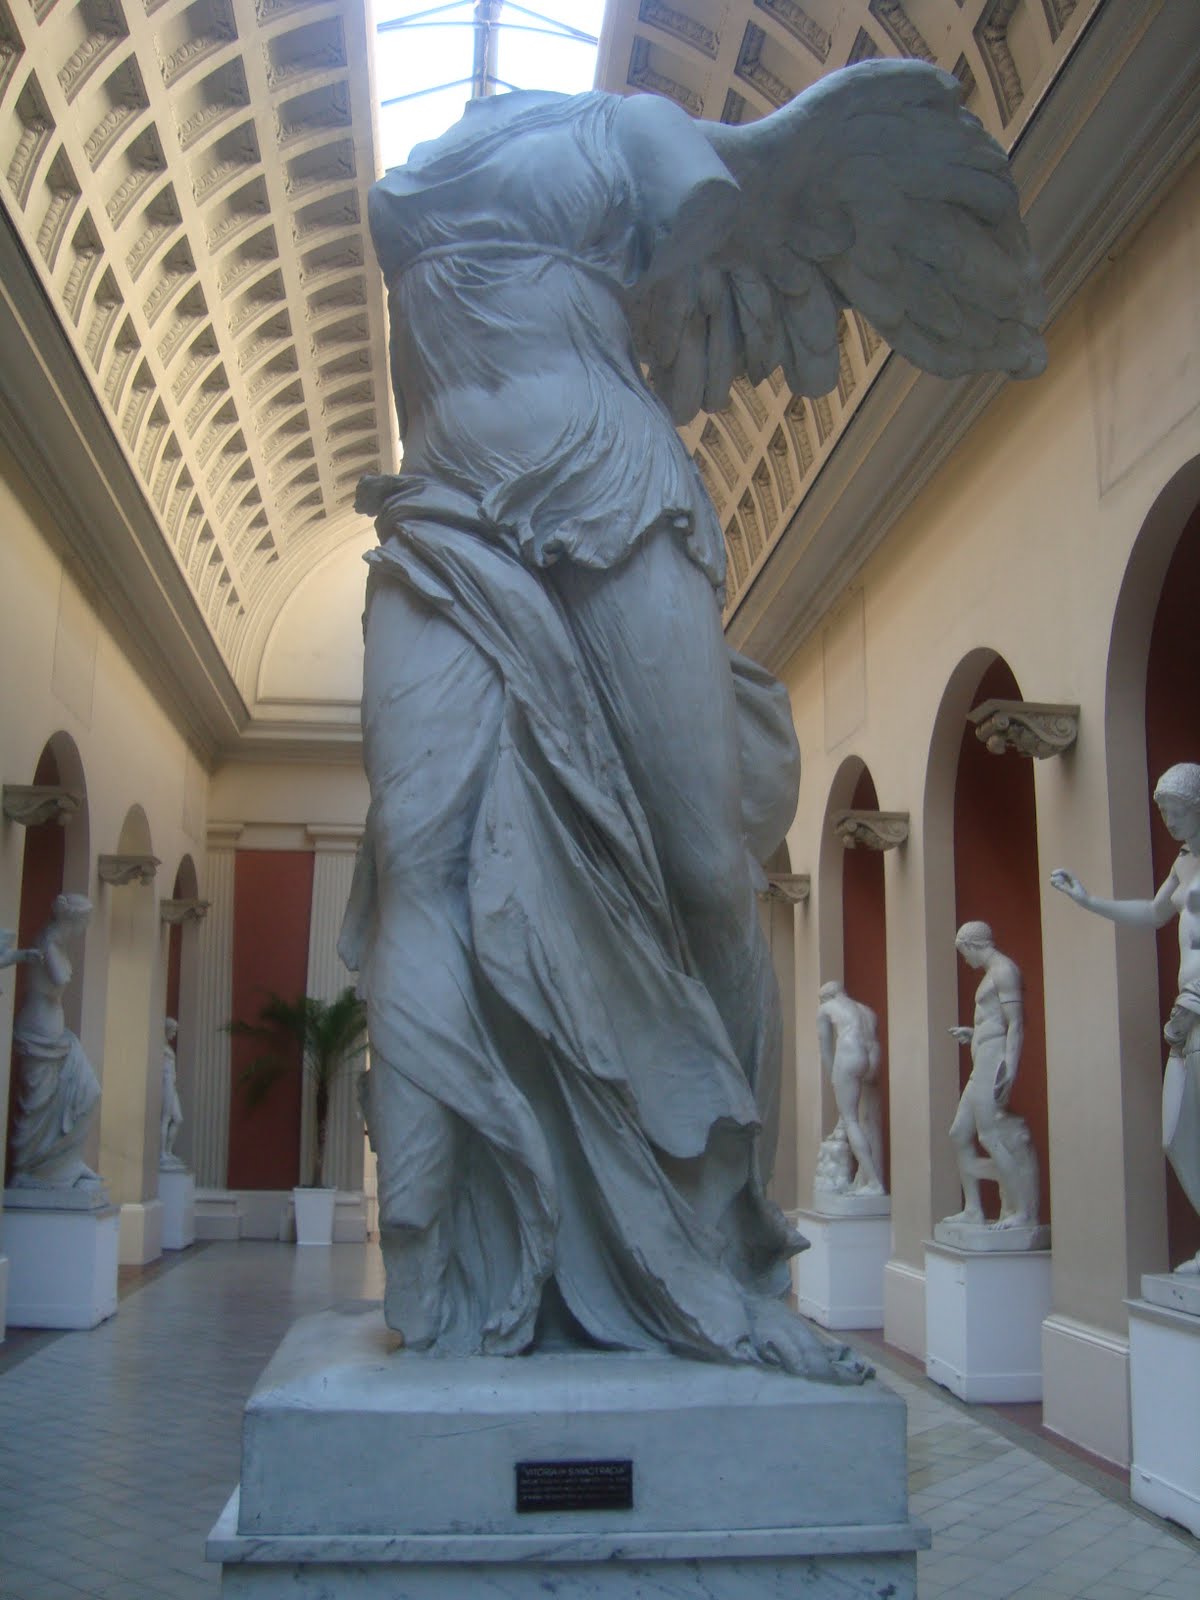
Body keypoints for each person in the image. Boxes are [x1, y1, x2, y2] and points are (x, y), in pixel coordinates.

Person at [340, 62, 1044, 1377]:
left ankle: (725, 1235)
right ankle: (433, 1250)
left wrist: (740, 193)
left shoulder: (634, 127)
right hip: (439, 520)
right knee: (417, 867)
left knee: (708, 869)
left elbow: (710, 205)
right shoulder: (422, 165)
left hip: (610, 491)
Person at [1051, 762, 1200, 1273]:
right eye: (1164, 813)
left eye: (1176, 811)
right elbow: (1155, 914)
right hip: (1188, 1015)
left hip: (1197, 1005)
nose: (1169, 822)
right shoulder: (1183, 863)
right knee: (1176, 1135)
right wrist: (1089, 902)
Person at [944, 922, 1040, 1228]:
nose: (965, 960)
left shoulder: (1004, 971)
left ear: (973, 945)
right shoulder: (992, 973)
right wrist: (973, 1034)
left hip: (993, 1061)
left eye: (964, 952)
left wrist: (1009, 1066)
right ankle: (973, 1208)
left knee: (990, 1135)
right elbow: (994, 1021)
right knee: (959, 1133)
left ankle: (1021, 1211)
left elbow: (1015, 1024)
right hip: (982, 1059)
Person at [9, 894, 102, 1190]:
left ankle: (65, 1163)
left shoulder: (57, 944)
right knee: (37, 1106)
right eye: (85, 920)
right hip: (38, 1033)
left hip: (58, 1036)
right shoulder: (48, 942)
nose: (86, 927)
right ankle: (32, 1169)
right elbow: (60, 977)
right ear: (73, 920)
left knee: (88, 1091)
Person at [815, 981, 885, 1195]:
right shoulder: (866, 1010)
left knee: (850, 1120)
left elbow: (825, 1048)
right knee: (868, 1117)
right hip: (873, 1055)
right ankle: (863, 1178)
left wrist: (833, 1077)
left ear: (826, 997)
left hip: (850, 1053)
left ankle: (873, 1182)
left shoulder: (825, 1008)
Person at [160, 1017, 184, 1170]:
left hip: (171, 1084)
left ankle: (168, 1152)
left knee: (178, 1119)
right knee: (166, 1118)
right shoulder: (160, 1047)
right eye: (173, 1031)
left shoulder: (166, 1047)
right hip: (166, 1083)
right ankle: (162, 1153)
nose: (174, 1035)